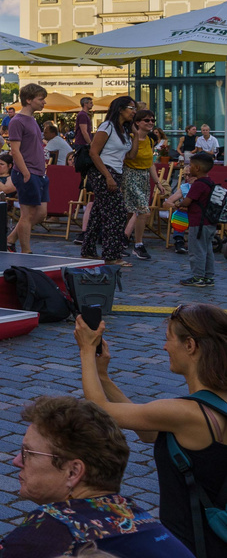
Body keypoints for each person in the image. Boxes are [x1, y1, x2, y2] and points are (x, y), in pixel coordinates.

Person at [0, 396, 192, 558]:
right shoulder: (141, 521)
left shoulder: (51, 533)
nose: (15, 461)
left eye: (28, 453)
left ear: (73, 471)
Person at [76, 303, 227, 558]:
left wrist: (86, 351)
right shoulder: (210, 407)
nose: (165, 347)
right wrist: (103, 377)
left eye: (168, 339)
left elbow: (99, 408)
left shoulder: (185, 413)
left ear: (190, 345)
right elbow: (148, 432)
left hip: (191, 545)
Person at [82, 96, 138, 266]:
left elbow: (131, 156)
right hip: (103, 172)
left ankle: (88, 250)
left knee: (98, 214)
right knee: (117, 214)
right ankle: (112, 255)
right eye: (131, 108)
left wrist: (136, 135)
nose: (134, 111)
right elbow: (93, 152)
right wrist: (108, 176)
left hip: (116, 172)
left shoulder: (124, 130)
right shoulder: (107, 126)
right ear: (120, 109)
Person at [6, 84, 51, 253]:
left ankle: (11, 239)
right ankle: (26, 251)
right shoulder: (17, 121)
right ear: (28, 100)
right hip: (27, 172)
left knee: (41, 214)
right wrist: (25, 173)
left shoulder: (32, 119)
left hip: (39, 172)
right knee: (27, 214)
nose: (44, 102)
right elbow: (15, 150)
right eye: (41, 99)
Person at [166, 152, 220, 287]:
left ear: (197, 168)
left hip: (198, 223)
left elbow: (187, 201)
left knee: (196, 250)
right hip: (209, 223)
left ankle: (198, 277)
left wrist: (178, 204)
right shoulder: (209, 182)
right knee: (207, 250)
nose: (188, 168)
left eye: (190, 165)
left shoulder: (198, 184)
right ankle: (208, 277)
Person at [122, 110, 161, 262]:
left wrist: (157, 181)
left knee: (132, 211)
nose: (150, 122)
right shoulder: (130, 138)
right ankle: (138, 244)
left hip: (144, 177)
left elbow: (150, 163)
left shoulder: (151, 140)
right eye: (146, 120)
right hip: (130, 175)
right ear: (137, 122)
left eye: (152, 120)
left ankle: (122, 240)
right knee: (143, 211)